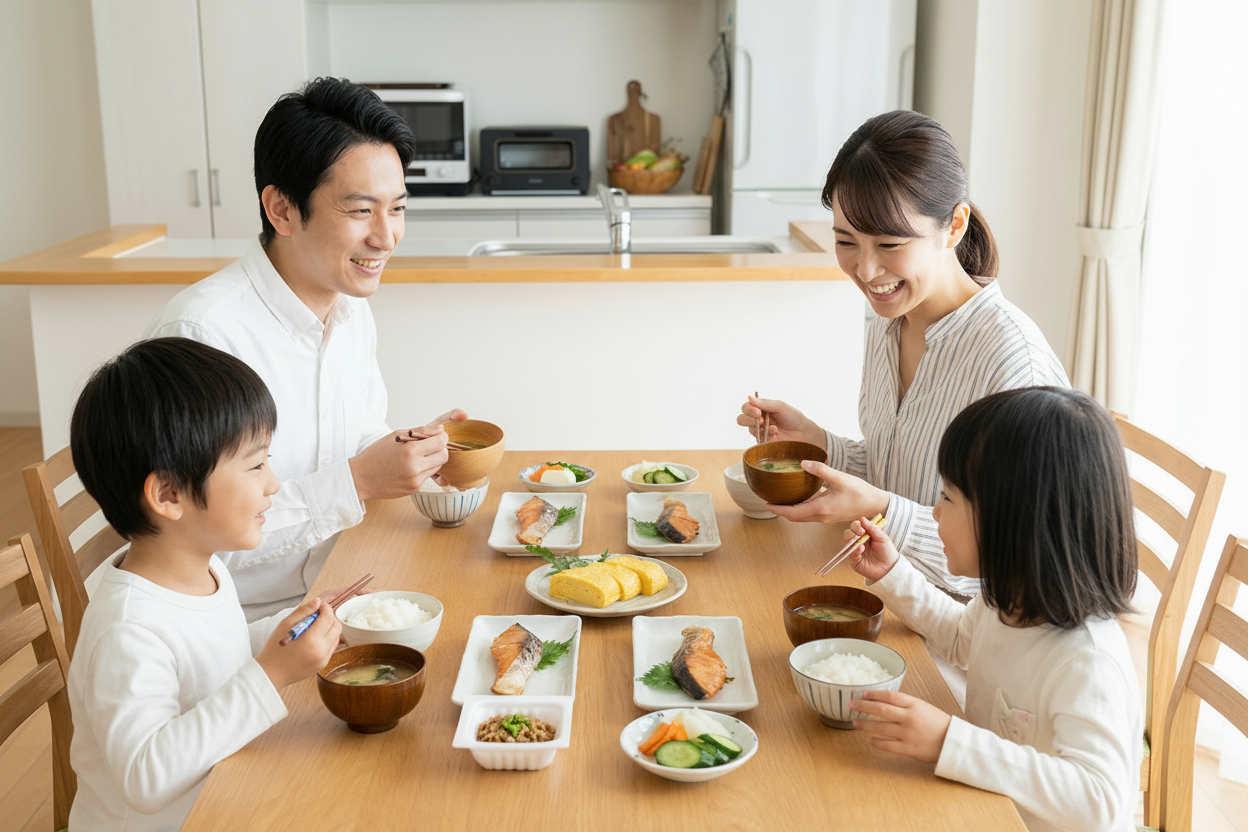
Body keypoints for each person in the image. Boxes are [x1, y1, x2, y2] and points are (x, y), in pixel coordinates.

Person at [145, 77, 465, 620]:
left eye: (398, 208)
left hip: (339, 582)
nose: (386, 237)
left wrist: (411, 452)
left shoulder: (348, 306)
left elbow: (354, 436)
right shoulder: (202, 336)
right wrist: (360, 479)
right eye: (361, 211)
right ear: (282, 210)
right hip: (238, 628)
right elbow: (196, 540)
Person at [739, 110, 1069, 599]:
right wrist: (819, 443)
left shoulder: (1013, 364)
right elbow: (894, 470)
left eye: (891, 243)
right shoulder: (887, 325)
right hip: (887, 590)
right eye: (846, 241)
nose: (867, 269)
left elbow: (1022, 565)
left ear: (954, 225)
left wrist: (885, 512)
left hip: (960, 636)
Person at [66, 337, 343, 831]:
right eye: (256, 464)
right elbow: (145, 778)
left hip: (224, 797)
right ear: (169, 494)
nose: (273, 484)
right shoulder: (128, 630)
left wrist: (287, 630)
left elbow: (214, 654)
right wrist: (273, 675)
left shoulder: (204, 568)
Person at [843, 387, 1141, 832]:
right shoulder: (1006, 595)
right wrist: (892, 573)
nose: (935, 514)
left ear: (1013, 518)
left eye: (947, 497)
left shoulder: (1088, 661)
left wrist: (951, 741)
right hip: (983, 810)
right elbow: (964, 642)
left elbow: (1098, 801)